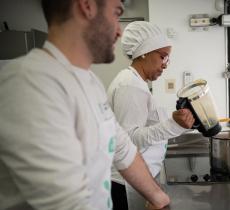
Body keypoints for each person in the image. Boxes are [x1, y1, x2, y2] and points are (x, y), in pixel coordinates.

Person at [0, 1, 170, 210]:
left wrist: (158, 198)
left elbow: (122, 148)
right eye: (116, 14)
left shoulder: (89, 82)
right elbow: (64, 203)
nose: (119, 31)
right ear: (87, 6)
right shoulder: (30, 84)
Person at [107, 21, 195, 210]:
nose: (165, 65)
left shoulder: (135, 83)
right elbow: (129, 139)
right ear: (144, 52)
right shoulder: (129, 85)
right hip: (125, 184)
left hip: (131, 179)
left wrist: (174, 122)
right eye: (163, 57)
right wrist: (174, 125)